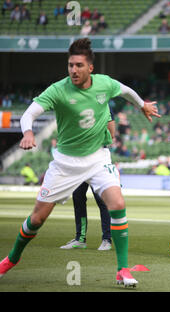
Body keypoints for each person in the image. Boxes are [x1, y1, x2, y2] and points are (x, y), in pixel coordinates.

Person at [0, 38, 160, 287]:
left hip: (97, 158)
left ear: (90, 68)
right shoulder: (58, 89)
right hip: (65, 163)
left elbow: (126, 90)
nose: (73, 70)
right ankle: (11, 259)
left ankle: (122, 270)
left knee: (117, 203)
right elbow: (30, 113)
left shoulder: (104, 83)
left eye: (78, 65)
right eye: (70, 65)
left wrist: (142, 105)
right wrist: (28, 132)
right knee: (37, 219)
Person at [60, 107, 117, 251]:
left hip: (97, 158)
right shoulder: (77, 106)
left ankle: (107, 239)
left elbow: (112, 130)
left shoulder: (103, 105)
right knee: (78, 197)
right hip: (78, 158)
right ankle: (80, 239)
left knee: (102, 200)